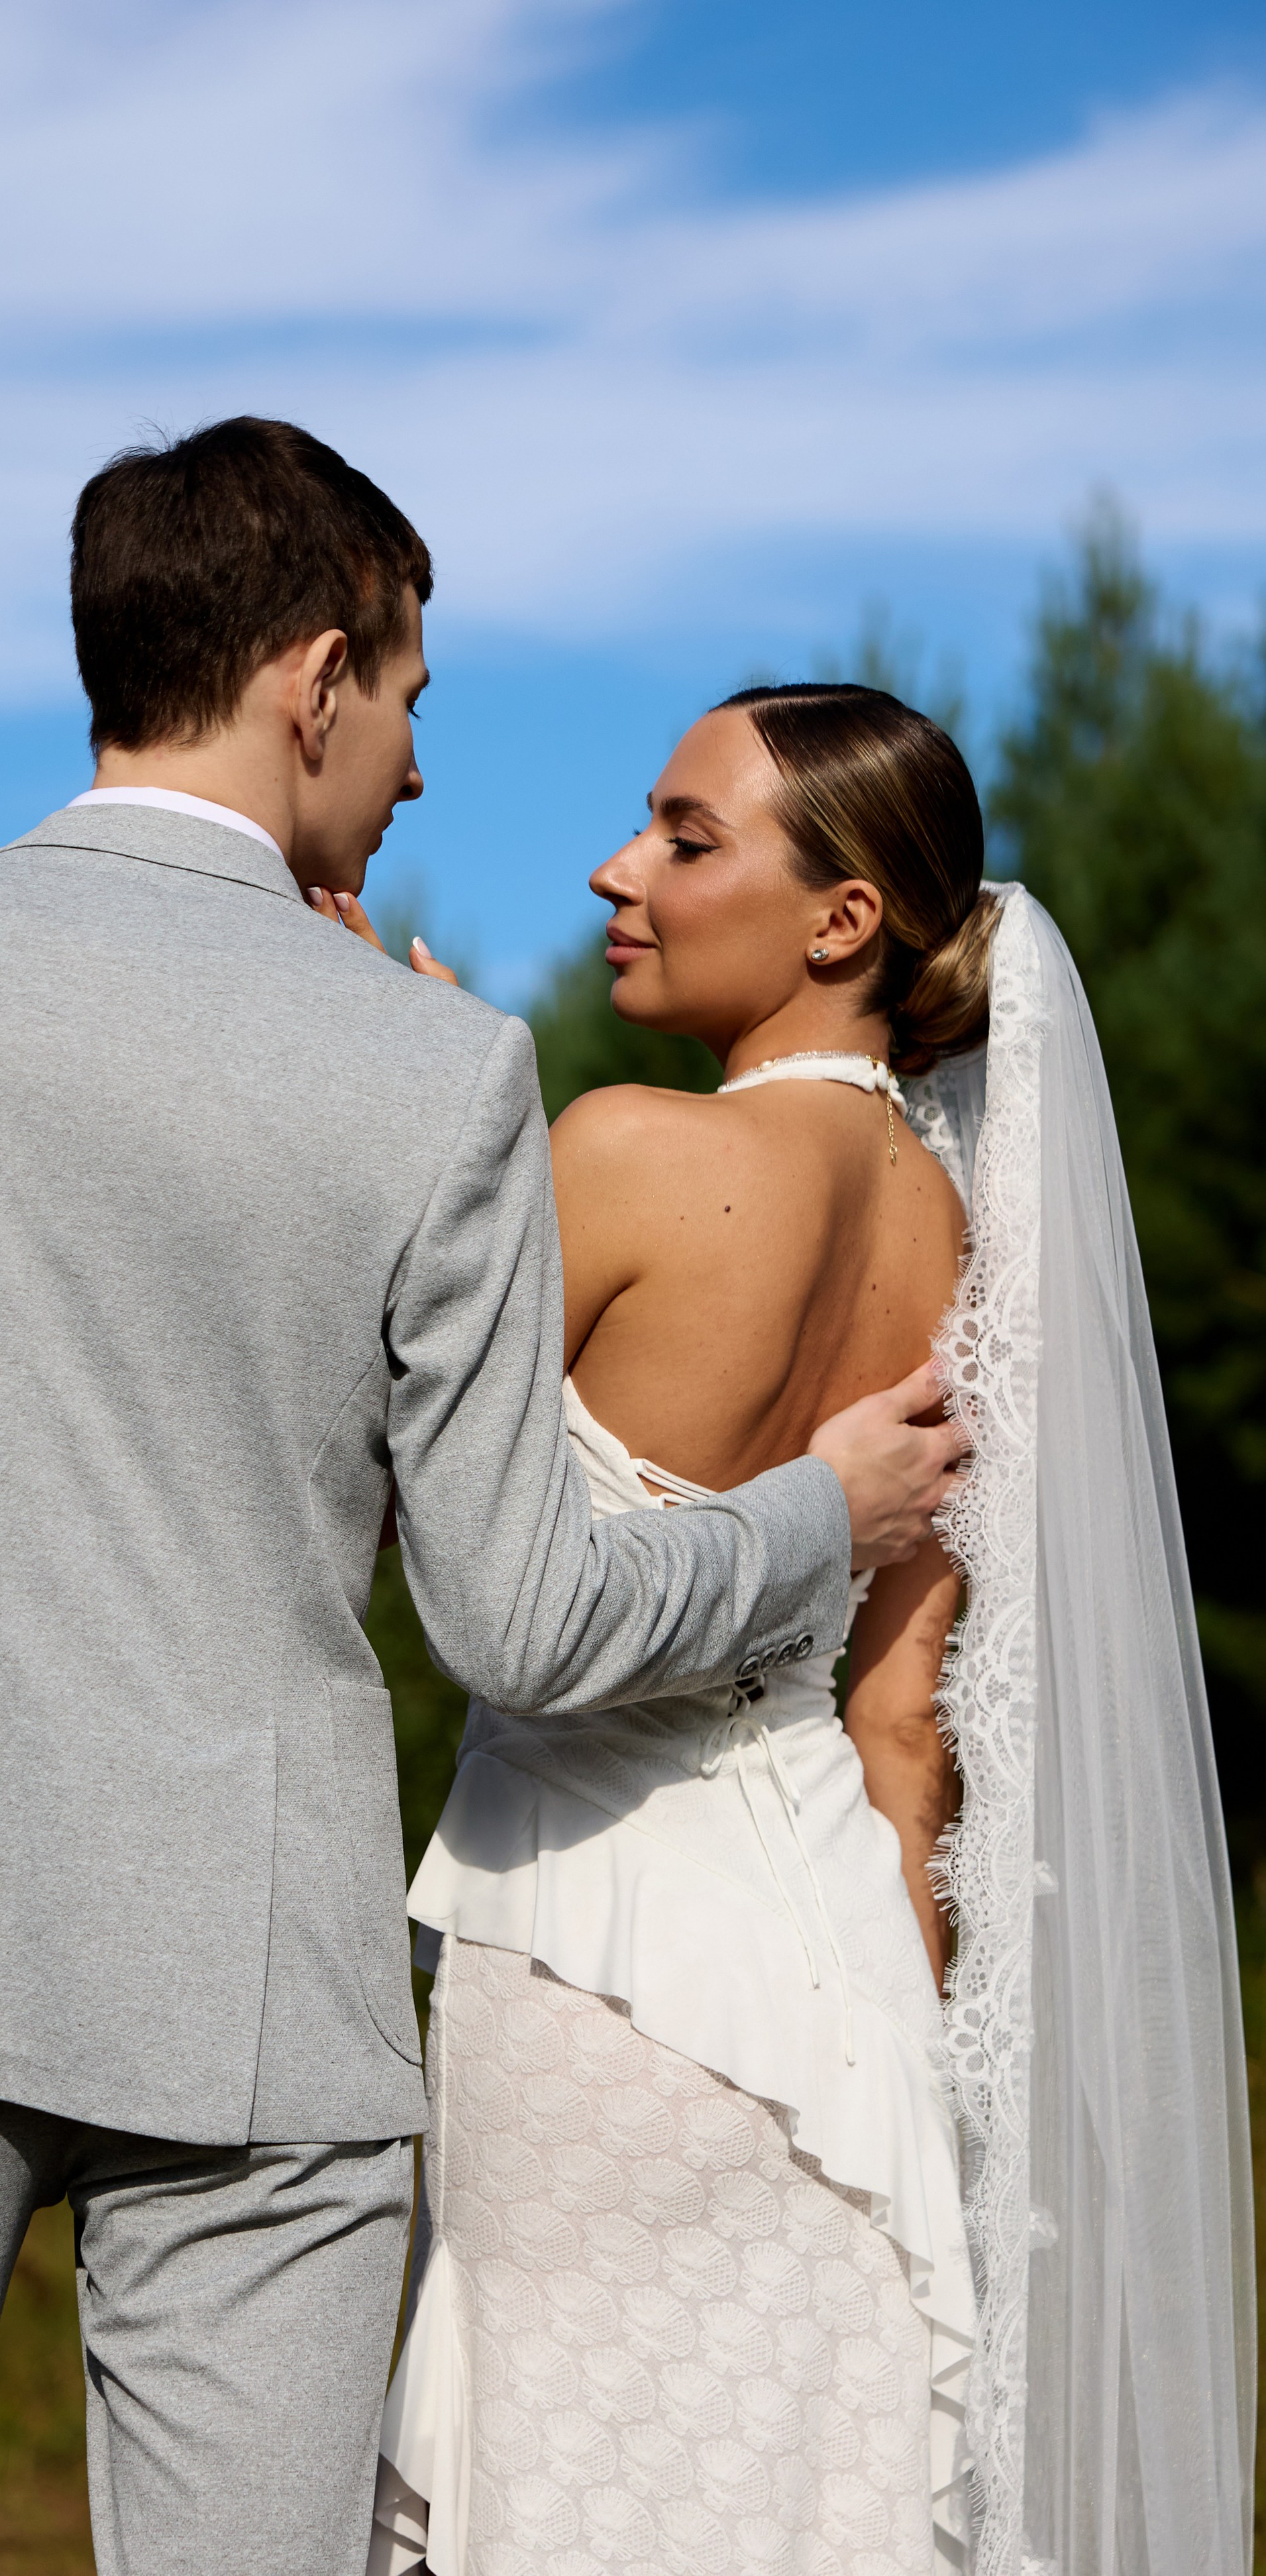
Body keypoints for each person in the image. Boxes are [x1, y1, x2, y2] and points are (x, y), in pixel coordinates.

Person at [0, 423, 961, 2576]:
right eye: (411, 695)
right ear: (318, 679)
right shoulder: (434, 1071)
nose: (418, 766)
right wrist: (821, 1516)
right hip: (256, 2007)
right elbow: (521, 1621)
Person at [360, 686, 1254, 2575]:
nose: (617, 871)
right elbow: (903, 1728)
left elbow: (392, 1493)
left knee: (571, 2485)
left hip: (590, 1966)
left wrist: (429, 1129)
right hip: (845, 1991)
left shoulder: (614, 1153)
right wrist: (909, 2060)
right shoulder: (960, 1238)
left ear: (843, 919)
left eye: (685, 838)